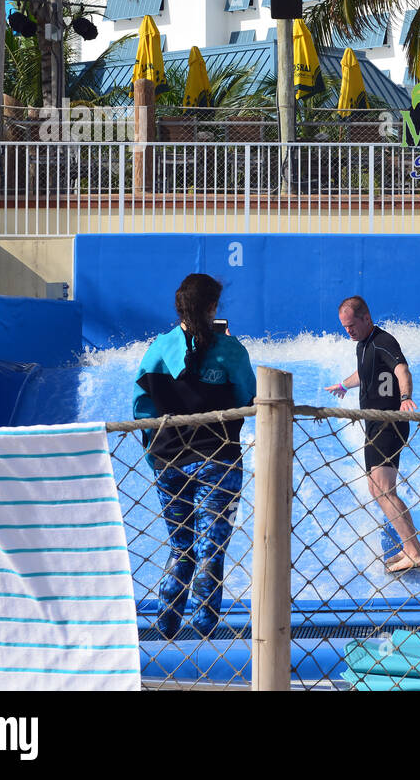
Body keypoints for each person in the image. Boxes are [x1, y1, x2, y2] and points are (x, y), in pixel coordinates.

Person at [133, 273, 256, 639]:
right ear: (212, 308)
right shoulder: (230, 351)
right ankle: (205, 637)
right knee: (210, 548)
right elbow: (246, 398)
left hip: (169, 460)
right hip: (217, 457)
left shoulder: (157, 350)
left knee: (181, 545)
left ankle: (166, 629)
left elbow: (141, 408)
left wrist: (158, 450)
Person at [324, 295, 420, 573]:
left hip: (388, 424)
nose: (348, 331)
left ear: (366, 318)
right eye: (344, 327)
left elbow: (401, 369)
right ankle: (411, 547)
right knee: (377, 488)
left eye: (351, 325)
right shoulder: (364, 345)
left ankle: (415, 552)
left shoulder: (384, 341)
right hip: (374, 426)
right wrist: (344, 385)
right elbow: (365, 372)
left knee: (382, 489)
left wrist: (405, 397)